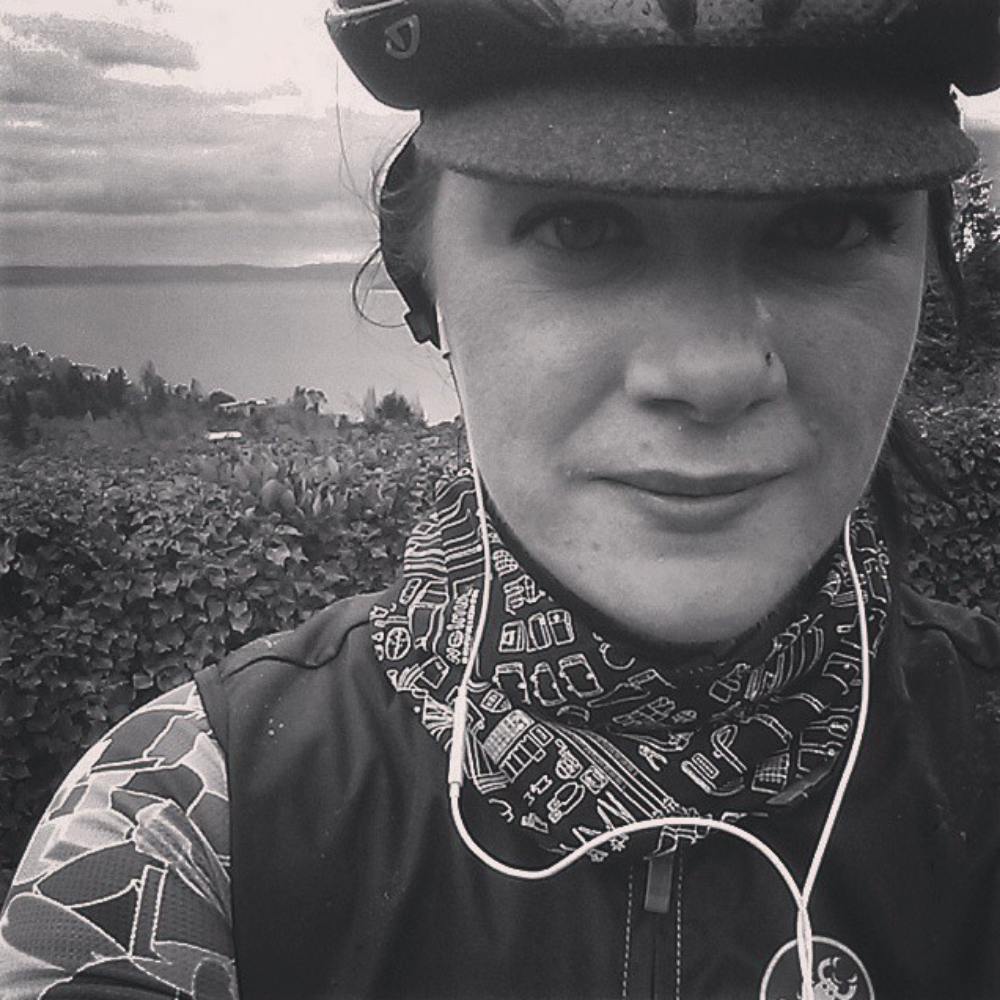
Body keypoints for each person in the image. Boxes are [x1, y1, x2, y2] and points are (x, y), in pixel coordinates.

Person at [3, 1, 1000, 997]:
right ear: (424, 280)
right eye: (582, 225)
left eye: (824, 222)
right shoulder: (184, 824)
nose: (711, 370)